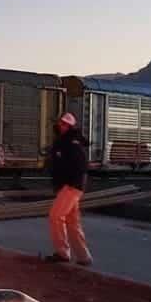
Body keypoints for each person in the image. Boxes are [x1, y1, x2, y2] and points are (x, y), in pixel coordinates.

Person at [46, 112, 93, 266]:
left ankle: (62, 252)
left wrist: (70, 184)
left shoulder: (71, 143)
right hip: (69, 186)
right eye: (61, 122)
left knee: (55, 215)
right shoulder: (67, 141)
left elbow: (81, 166)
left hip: (70, 186)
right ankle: (83, 257)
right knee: (73, 221)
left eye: (64, 123)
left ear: (69, 126)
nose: (60, 125)